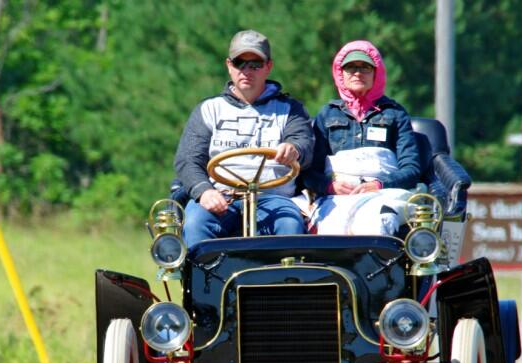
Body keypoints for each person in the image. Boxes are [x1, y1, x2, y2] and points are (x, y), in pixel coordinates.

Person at [175, 30, 314, 248]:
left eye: (255, 64)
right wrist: (204, 191)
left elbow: (303, 142)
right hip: (221, 195)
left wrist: (293, 149)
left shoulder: (290, 109)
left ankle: (283, 280)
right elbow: (188, 160)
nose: (246, 70)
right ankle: (204, 282)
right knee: (194, 224)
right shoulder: (209, 109)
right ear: (229, 65)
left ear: (268, 66)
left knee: (289, 224)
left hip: (273, 197)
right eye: (240, 63)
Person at [300, 40, 422, 236]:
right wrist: (330, 186)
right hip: (337, 198)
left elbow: (412, 169)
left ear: (376, 73)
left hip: (386, 194)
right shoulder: (327, 114)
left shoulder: (395, 113)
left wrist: (378, 185)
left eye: (365, 67)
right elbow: (309, 172)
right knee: (330, 231)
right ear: (341, 74)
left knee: (375, 223)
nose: (357, 73)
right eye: (350, 68)